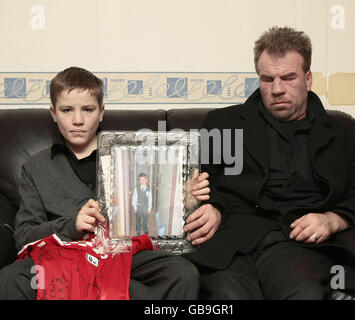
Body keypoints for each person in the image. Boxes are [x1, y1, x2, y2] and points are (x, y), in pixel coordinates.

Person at [183, 26, 355, 299]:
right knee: (226, 297)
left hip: (296, 243)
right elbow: (201, 182)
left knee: (303, 294)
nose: (276, 89)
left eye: (288, 78)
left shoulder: (339, 133)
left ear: (308, 79)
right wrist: (212, 206)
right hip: (233, 240)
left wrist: (331, 220)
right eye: (267, 79)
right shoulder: (223, 124)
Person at [0, 66, 210, 300]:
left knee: (183, 273)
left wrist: (184, 203)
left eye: (87, 110)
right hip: (65, 256)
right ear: (53, 113)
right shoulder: (36, 167)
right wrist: (72, 225)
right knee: (9, 279)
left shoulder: (132, 156)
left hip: (126, 254)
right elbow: (25, 234)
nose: (78, 120)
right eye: (67, 110)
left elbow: (155, 221)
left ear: (101, 112)